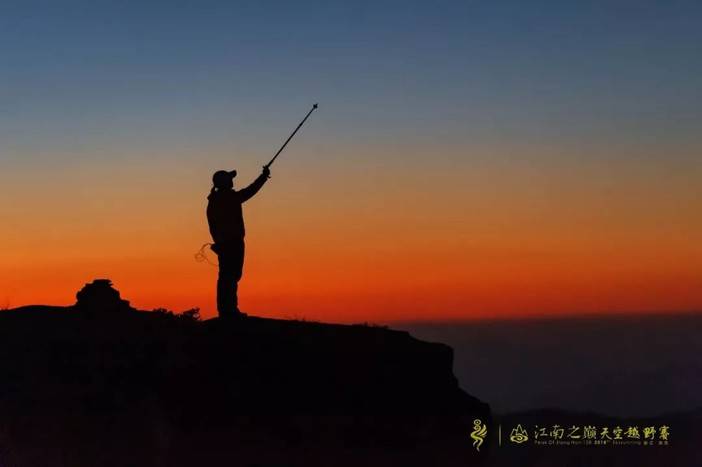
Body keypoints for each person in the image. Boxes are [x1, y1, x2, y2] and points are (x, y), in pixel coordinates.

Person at [207, 166, 270, 318]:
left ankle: (226, 310)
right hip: (232, 243)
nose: (232, 181)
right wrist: (263, 177)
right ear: (225, 183)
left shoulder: (214, 201)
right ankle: (229, 310)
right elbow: (250, 191)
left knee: (227, 276)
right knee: (230, 276)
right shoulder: (228, 198)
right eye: (230, 179)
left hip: (224, 244)